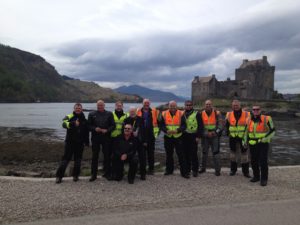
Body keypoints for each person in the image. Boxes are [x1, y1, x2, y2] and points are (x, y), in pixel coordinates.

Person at [56, 103, 89, 183]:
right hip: (70, 142)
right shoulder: (69, 116)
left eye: (79, 108)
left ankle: (75, 176)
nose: (78, 109)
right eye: (76, 108)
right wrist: (73, 123)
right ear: (74, 109)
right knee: (66, 159)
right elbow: (63, 124)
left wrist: (87, 142)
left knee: (78, 160)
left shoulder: (84, 119)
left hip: (80, 143)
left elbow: (86, 132)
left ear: (81, 109)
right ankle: (59, 177)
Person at [243, 105, 275, 186]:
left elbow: (272, 131)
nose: (256, 111)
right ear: (252, 111)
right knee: (254, 161)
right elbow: (246, 132)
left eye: (257, 109)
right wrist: (244, 141)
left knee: (263, 161)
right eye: (254, 109)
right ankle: (256, 176)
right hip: (252, 143)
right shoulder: (248, 119)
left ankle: (264, 179)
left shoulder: (267, 118)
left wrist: (264, 139)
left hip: (263, 144)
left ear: (260, 110)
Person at [88, 100, 115, 181]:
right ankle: (93, 174)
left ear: (104, 105)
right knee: (95, 156)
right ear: (97, 105)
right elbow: (88, 126)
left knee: (107, 156)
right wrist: (95, 128)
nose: (100, 106)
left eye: (101, 105)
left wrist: (107, 130)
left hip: (106, 137)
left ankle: (107, 174)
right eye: (98, 105)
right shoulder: (92, 114)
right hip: (95, 138)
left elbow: (113, 125)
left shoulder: (109, 114)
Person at [160, 101, 189, 178]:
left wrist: (178, 130)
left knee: (181, 155)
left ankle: (184, 172)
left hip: (178, 137)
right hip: (168, 137)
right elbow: (161, 125)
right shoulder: (164, 113)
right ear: (168, 106)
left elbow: (184, 126)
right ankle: (169, 170)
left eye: (174, 106)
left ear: (176, 106)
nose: (172, 107)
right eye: (171, 106)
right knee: (169, 154)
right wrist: (166, 130)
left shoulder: (181, 113)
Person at [225, 100, 251, 178]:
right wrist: (227, 133)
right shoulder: (229, 114)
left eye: (237, 105)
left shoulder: (247, 114)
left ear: (240, 105)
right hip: (233, 137)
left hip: (243, 137)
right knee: (232, 155)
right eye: (234, 105)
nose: (235, 107)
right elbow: (227, 125)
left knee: (244, 155)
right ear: (232, 106)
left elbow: (250, 125)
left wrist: (248, 136)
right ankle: (233, 170)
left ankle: (245, 172)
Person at [136, 99, 160, 175]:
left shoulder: (155, 111)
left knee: (151, 154)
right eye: (145, 103)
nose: (146, 104)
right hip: (141, 135)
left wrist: (157, 133)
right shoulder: (138, 111)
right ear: (142, 104)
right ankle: (141, 169)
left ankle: (151, 169)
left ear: (150, 104)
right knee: (141, 154)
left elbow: (160, 123)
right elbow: (134, 121)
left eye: (147, 103)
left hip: (151, 135)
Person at [199, 99, 222, 176]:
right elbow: (199, 127)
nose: (208, 105)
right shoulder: (201, 114)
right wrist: (206, 133)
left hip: (214, 136)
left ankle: (217, 170)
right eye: (206, 104)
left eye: (209, 104)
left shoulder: (217, 113)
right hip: (205, 136)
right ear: (204, 105)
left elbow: (221, 126)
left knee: (216, 153)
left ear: (212, 105)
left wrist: (215, 132)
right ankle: (202, 168)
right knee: (204, 153)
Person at [182, 100, 203, 177]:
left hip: (193, 136)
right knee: (186, 154)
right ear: (185, 106)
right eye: (187, 105)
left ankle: (195, 170)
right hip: (184, 136)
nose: (188, 106)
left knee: (194, 154)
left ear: (192, 106)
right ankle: (187, 170)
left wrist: (198, 136)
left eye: (189, 105)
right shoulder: (182, 113)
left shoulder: (197, 114)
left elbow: (201, 126)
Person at [123, 106, 146, 180]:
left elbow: (144, 130)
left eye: (133, 111)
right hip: (130, 142)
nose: (132, 113)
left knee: (142, 158)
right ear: (129, 112)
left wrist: (142, 138)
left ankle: (143, 174)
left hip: (139, 141)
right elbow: (123, 131)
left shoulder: (141, 119)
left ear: (136, 111)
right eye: (131, 111)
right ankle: (130, 174)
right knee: (131, 157)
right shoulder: (126, 120)